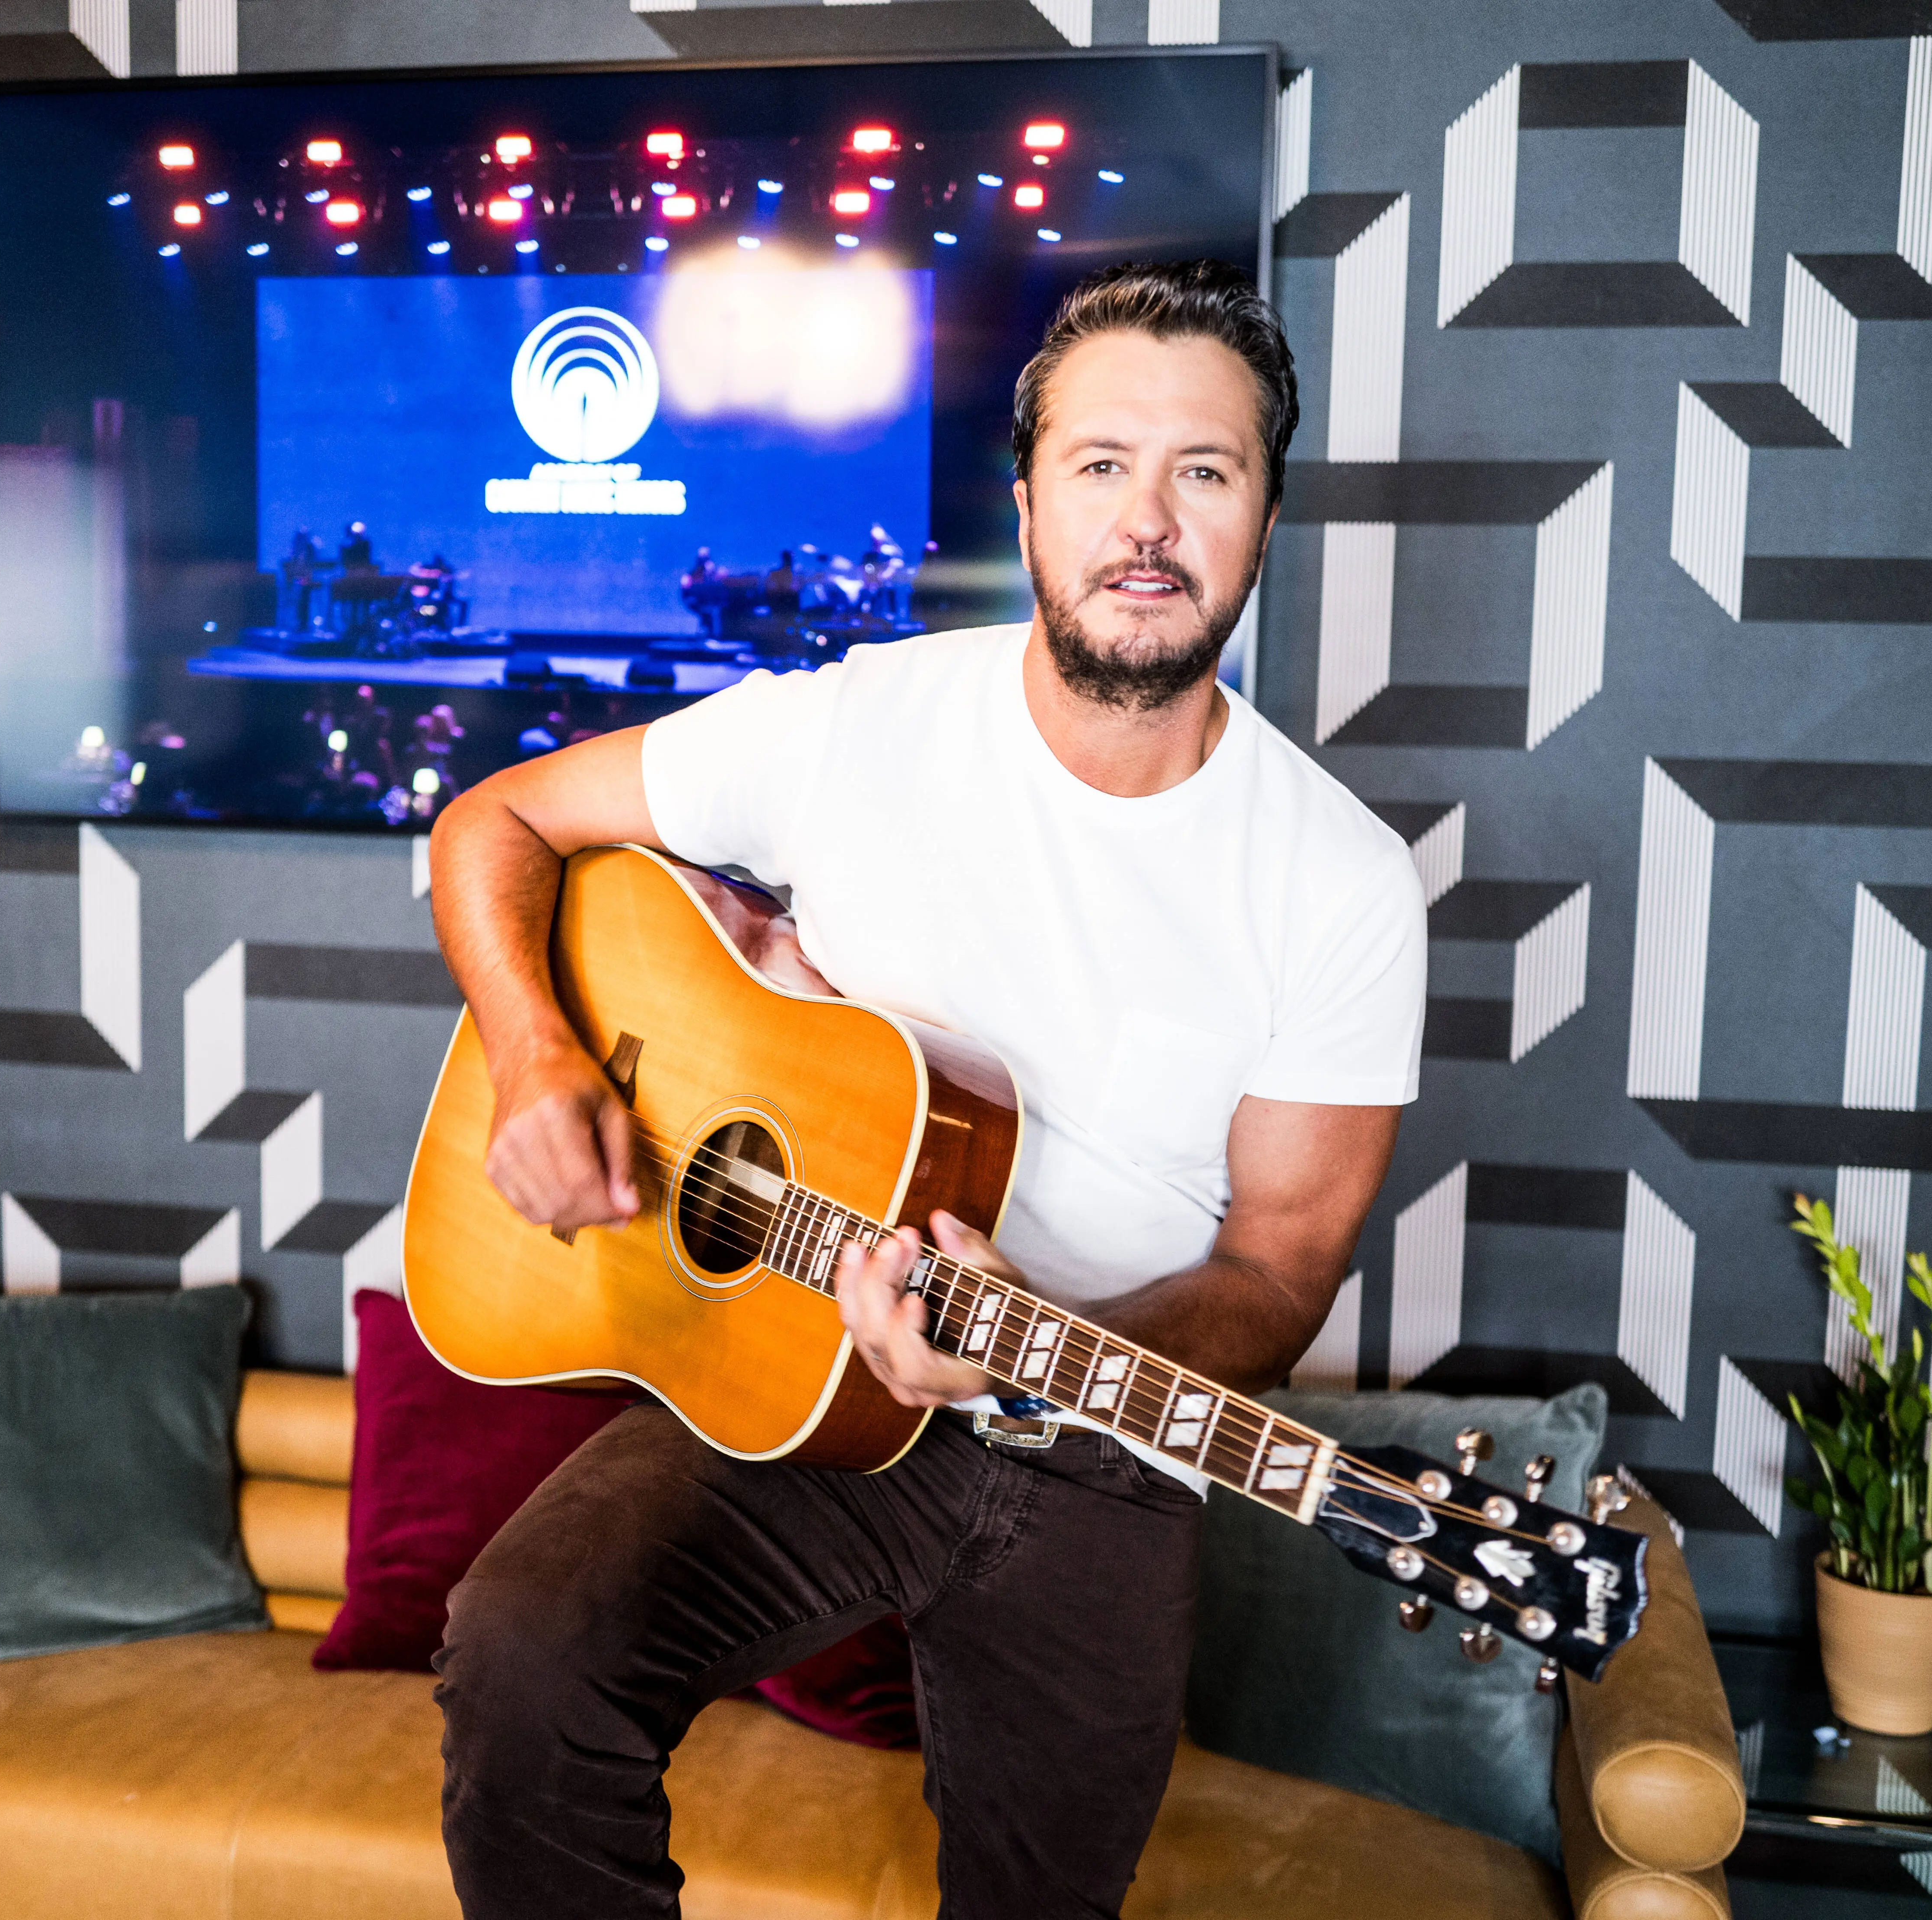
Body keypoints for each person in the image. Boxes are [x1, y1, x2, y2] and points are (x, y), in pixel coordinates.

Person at [424, 258, 1428, 1920]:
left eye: (1207, 470)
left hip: (1101, 1437)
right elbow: (495, 824)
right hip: (798, 1372)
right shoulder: (857, 728)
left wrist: (1044, 1342)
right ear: (1029, 503)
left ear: (1265, 516)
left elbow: (1276, 1274)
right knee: (525, 1655)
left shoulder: (1341, 881)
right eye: (1101, 465)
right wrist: (536, 1053)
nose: (1148, 522)